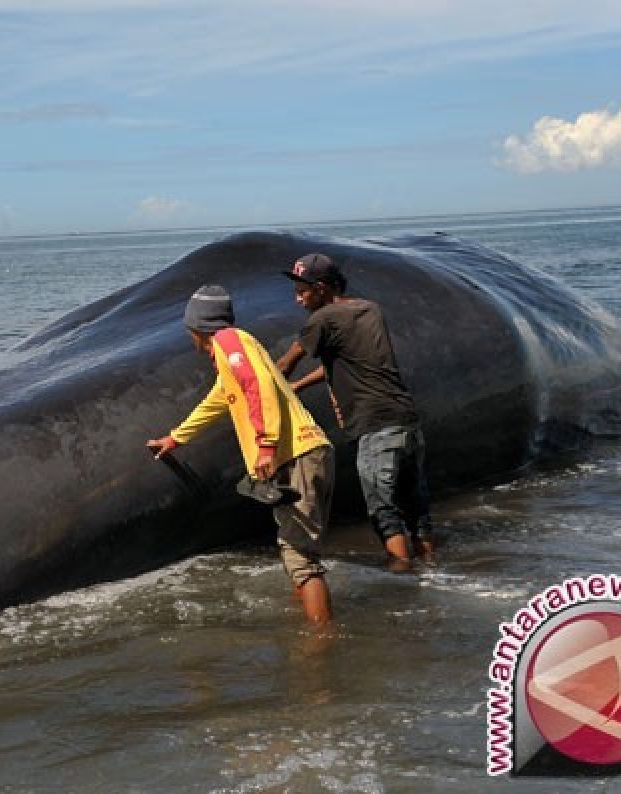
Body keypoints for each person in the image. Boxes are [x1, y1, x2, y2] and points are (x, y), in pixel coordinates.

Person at [146, 284, 336, 624]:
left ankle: (322, 642)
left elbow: (257, 385)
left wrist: (265, 444)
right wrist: (175, 439)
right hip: (300, 456)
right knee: (295, 549)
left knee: (300, 555)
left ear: (196, 328)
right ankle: (312, 624)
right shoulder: (230, 355)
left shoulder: (229, 340)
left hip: (296, 454)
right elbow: (216, 402)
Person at [277, 253, 436, 570]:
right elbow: (352, 363)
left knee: (383, 510)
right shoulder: (369, 310)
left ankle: (404, 582)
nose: (297, 299)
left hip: (373, 426)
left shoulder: (321, 320)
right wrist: (301, 386)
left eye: (302, 291)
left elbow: (283, 365)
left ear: (321, 288)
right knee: (415, 507)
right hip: (405, 420)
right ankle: (432, 569)